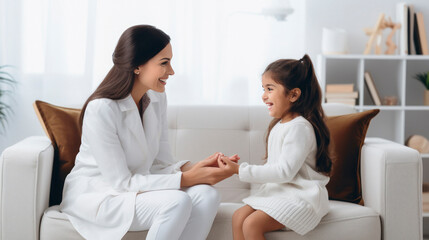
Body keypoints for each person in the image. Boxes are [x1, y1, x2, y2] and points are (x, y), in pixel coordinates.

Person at [60, 25, 239, 240]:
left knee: (208, 195)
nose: (171, 71)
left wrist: (198, 168)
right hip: (100, 195)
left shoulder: (157, 98)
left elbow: (160, 164)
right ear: (137, 66)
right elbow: (121, 183)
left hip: (135, 188)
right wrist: (187, 178)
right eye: (164, 63)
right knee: (176, 201)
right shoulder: (102, 109)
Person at [218, 54, 332, 239]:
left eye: (270, 89)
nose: (264, 96)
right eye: (263, 89)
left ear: (293, 94)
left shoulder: (300, 128)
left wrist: (239, 170)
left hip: (301, 196)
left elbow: (284, 172)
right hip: (280, 192)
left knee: (251, 224)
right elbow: (275, 169)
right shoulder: (280, 125)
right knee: (238, 216)